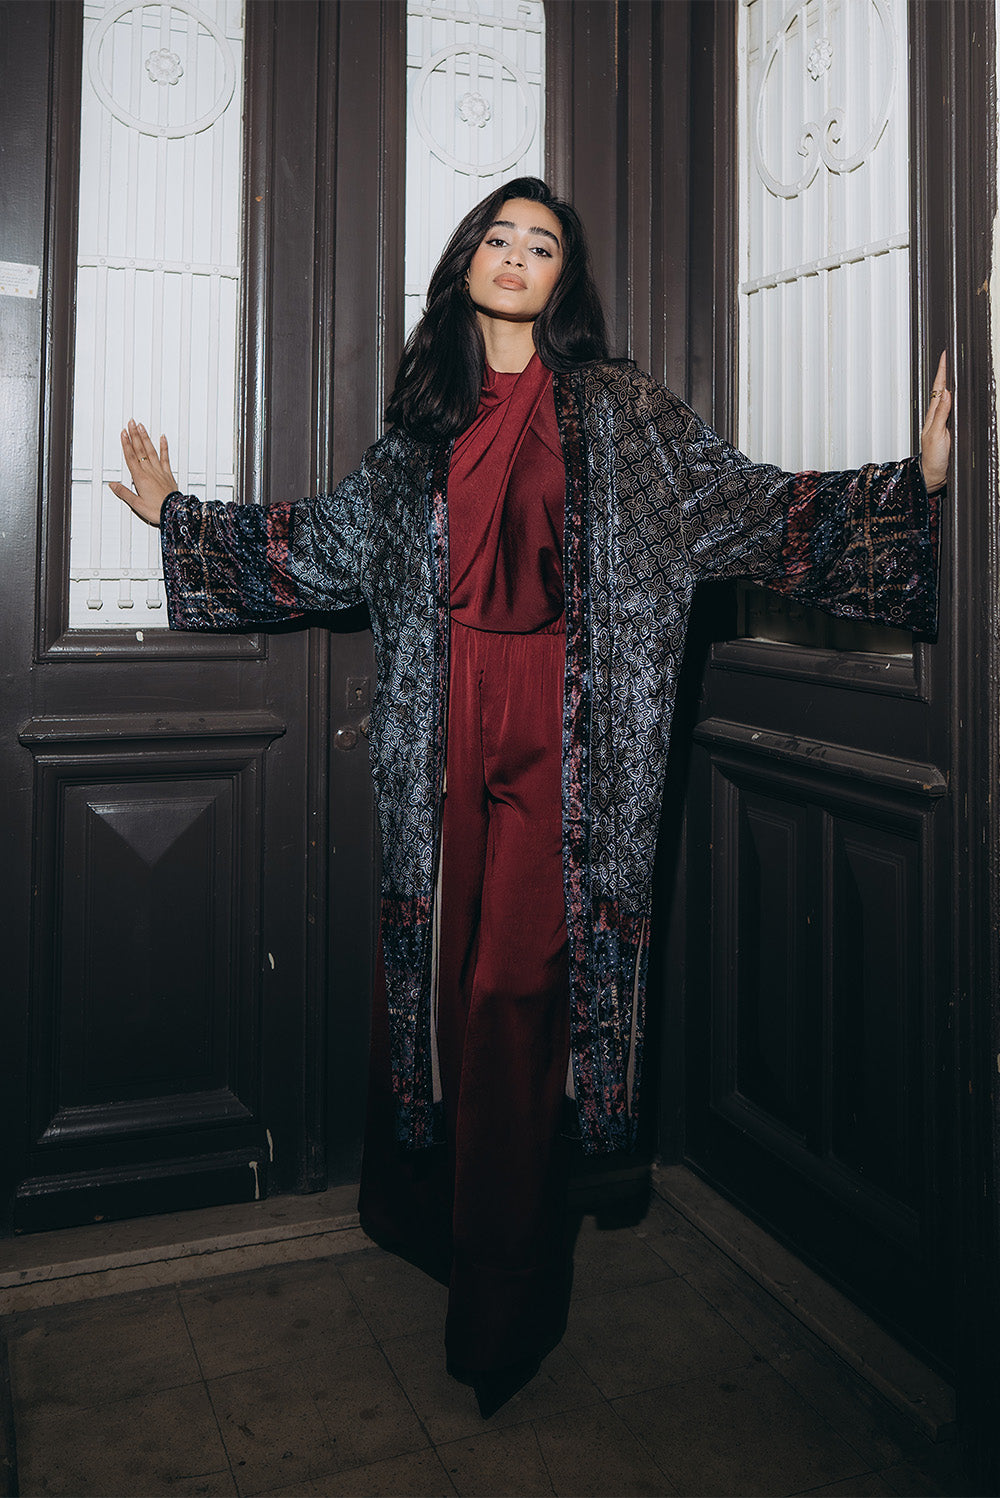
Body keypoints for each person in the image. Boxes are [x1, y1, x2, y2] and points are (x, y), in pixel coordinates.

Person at [111, 176, 951, 1418]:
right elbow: (321, 547)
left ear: (564, 277)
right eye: (497, 237)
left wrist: (909, 483)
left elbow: (753, 507)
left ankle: (501, 1303)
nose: (515, 255)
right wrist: (180, 520)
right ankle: (423, 1219)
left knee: (518, 993)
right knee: (439, 992)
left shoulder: (622, 412)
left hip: (571, 730)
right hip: (439, 728)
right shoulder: (419, 431)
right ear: (466, 262)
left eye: (540, 243)